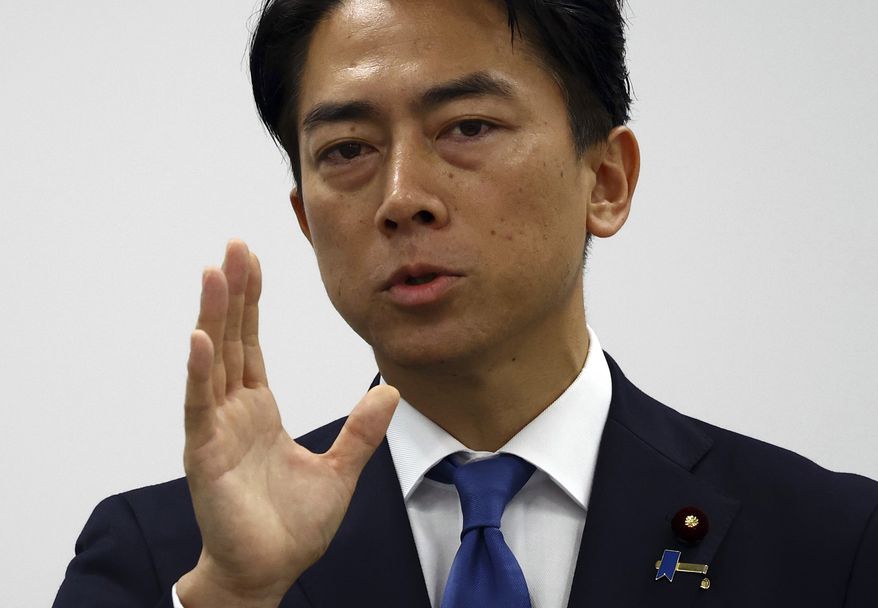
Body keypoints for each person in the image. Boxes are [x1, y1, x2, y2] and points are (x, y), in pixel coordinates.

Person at [54, 1, 878, 606]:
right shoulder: (161, 559)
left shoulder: (835, 544)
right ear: (307, 221)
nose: (403, 196)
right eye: (346, 150)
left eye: (468, 127)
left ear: (607, 181)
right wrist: (235, 597)